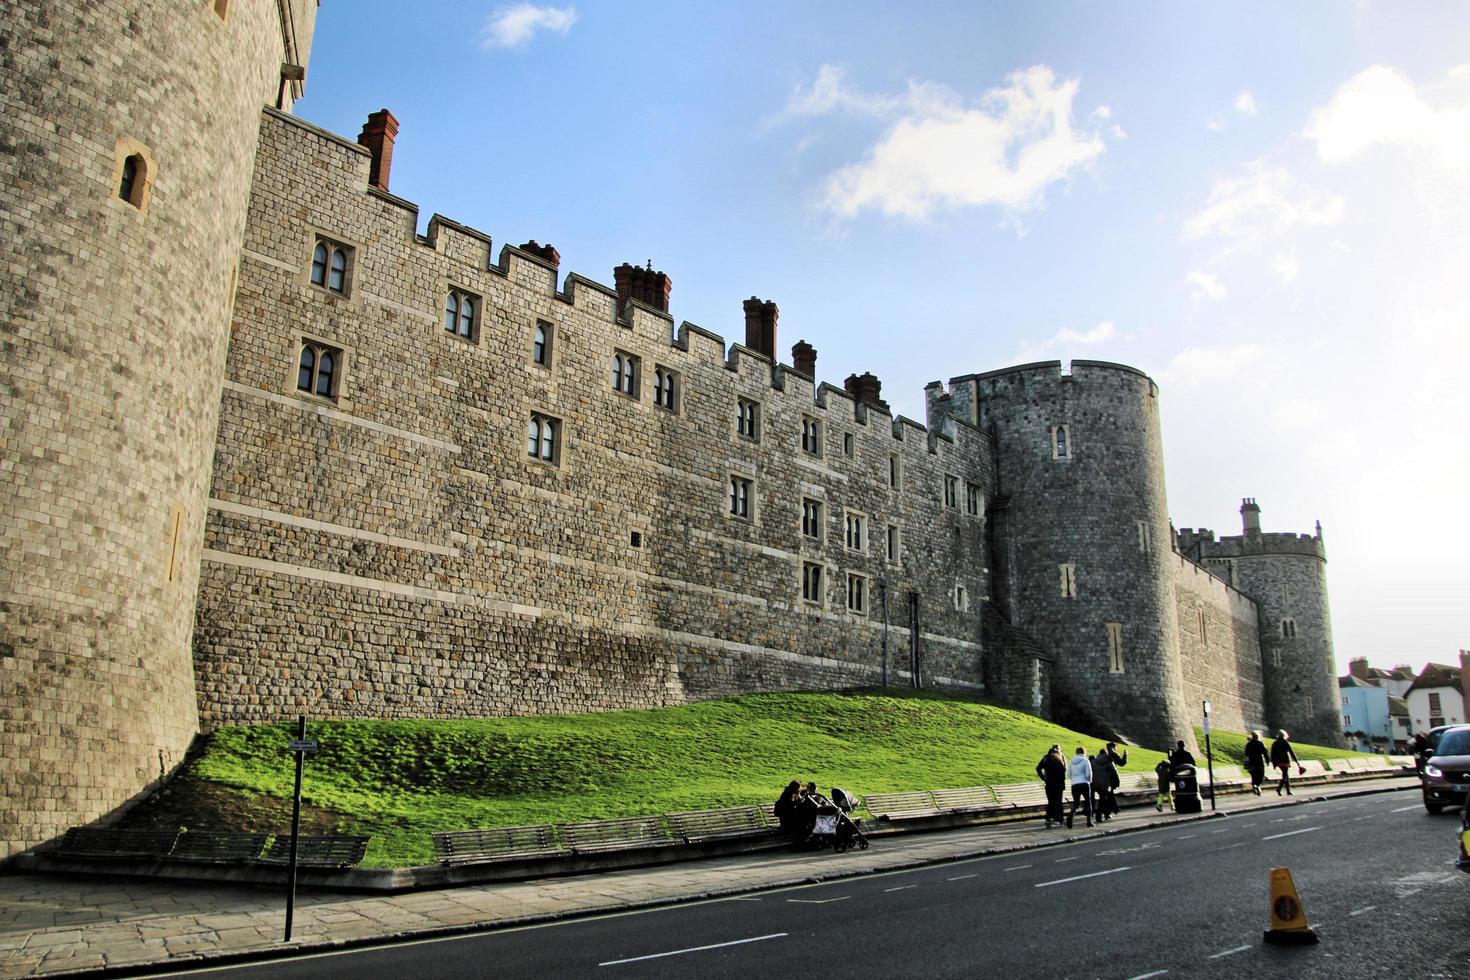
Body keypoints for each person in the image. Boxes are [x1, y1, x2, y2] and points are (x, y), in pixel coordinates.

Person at [1036, 744, 1067, 829]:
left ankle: (1048, 819)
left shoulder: (1046, 758)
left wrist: (1044, 778)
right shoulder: (1060, 759)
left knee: (1051, 802)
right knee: (1058, 802)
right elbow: (1064, 771)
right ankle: (1060, 820)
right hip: (1058, 784)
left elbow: (1038, 768)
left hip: (1049, 783)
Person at [1067, 746, 1093, 829]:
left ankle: (1070, 816)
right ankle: (1089, 822)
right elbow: (1088, 774)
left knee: (1076, 803)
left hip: (1074, 784)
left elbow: (1068, 774)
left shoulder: (1071, 761)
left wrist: (1074, 779)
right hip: (1084, 783)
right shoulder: (1085, 760)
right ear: (1084, 752)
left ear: (1076, 752)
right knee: (1088, 802)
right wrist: (1089, 780)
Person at [1102, 742, 1128, 818]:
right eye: (1116, 747)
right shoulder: (1114, 754)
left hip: (1102, 778)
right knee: (1110, 795)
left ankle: (1110, 811)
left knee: (1108, 795)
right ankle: (1111, 810)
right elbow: (1122, 763)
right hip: (1111, 778)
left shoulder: (1104, 755)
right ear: (1113, 747)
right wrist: (1126, 755)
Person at [1271, 730, 1301, 795]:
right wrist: (1296, 761)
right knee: (1285, 776)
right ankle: (1279, 789)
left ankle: (1288, 791)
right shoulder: (1285, 742)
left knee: (1286, 775)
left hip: (1278, 762)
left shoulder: (1275, 743)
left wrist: (1274, 764)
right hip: (1285, 761)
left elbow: (1272, 754)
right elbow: (1291, 752)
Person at [1092, 747, 1117, 822]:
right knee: (1104, 799)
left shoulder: (1093, 761)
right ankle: (1101, 816)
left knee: (1103, 799)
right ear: (1106, 753)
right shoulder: (1109, 761)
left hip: (1095, 783)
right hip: (1105, 783)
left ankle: (1103, 815)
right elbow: (1114, 772)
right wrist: (1114, 783)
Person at [1244, 731, 1269, 796]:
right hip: (1259, 762)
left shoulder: (1248, 744)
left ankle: (1255, 786)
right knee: (1261, 775)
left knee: (1254, 775)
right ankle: (1257, 785)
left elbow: (1246, 754)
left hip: (1251, 762)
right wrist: (1267, 761)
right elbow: (1265, 753)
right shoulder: (1260, 743)